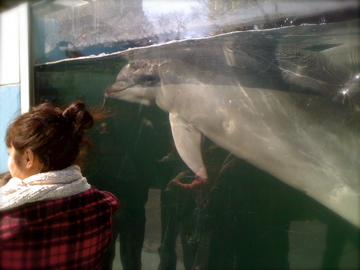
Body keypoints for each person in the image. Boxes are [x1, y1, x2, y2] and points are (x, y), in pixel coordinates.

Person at [0, 101, 119, 270]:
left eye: (10, 154)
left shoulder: (7, 225)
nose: (9, 164)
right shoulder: (103, 207)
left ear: (28, 158)